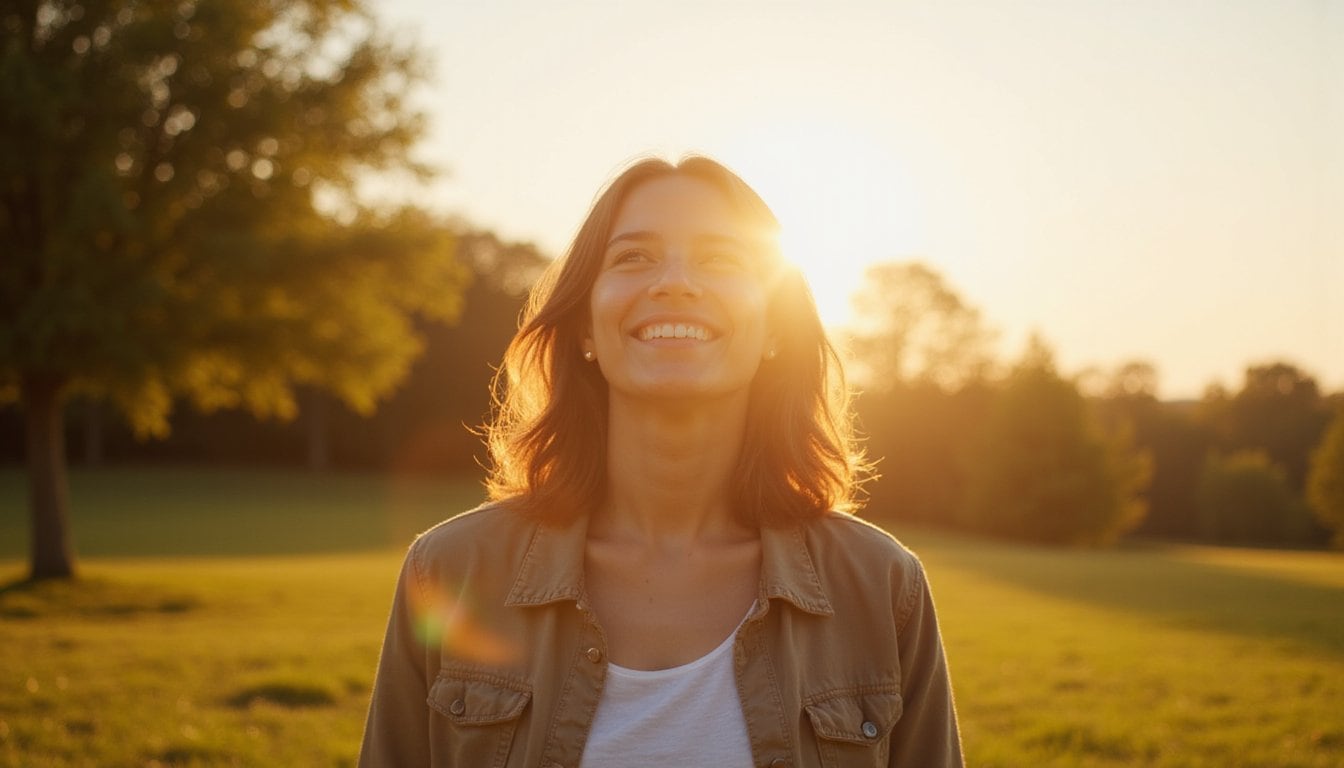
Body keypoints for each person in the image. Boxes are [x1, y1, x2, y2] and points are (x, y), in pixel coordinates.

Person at [358, 156, 963, 767]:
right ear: (585, 327)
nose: (676, 283)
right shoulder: (450, 572)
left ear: (775, 328)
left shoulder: (883, 587)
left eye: (721, 260)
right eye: (633, 258)